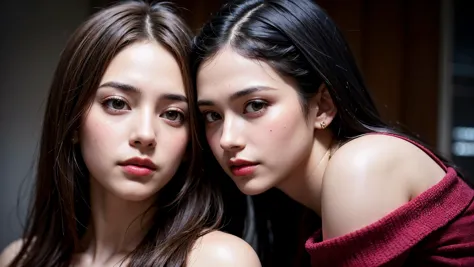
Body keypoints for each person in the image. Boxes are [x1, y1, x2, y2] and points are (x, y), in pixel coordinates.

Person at [191, 0, 474, 266]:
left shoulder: (362, 165)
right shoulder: (298, 216)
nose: (227, 139)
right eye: (212, 115)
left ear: (323, 106)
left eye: (255, 105)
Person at [0, 1, 261, 267]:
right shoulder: (19, 259)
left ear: (190, 144)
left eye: (172, 114)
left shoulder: (217, 260)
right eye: (117, 103)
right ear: (73, 121)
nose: (145, 134)